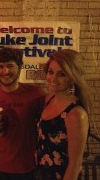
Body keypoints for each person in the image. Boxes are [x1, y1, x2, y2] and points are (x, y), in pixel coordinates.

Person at [0, 47, 46, 180]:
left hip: (29, 167)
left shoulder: (36, 93)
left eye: (10, 66)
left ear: (20, 67)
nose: (5, 71)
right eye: (1, 67)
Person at [35, 49, 91, 180]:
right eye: (51, 72)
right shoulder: (49, 98)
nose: (53, 78)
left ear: (73, 77)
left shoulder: (76, 114)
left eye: (61, 74)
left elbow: (75, 165)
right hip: (40, 174)